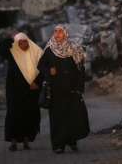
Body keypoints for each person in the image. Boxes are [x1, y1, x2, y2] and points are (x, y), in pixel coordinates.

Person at [38, 25, 90, 154]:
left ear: (66, 33)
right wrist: (49, 71)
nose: (58, 34)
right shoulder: (49, 49)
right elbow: (41, 65)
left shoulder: (73, 48)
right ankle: (58, 145)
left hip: (71, 89)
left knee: (72, 116)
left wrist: (79, 87)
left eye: (60, 32)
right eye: (56, 32)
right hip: (55, 90)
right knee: (57, 118)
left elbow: (80, 68)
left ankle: (72, 142)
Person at [0, 32, 44, 151]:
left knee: (29, 115)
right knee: (14, 115)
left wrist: (37, 83)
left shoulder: (33, 54)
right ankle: (13, 142)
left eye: (25, 41)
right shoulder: (12, 53)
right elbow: (0, 49)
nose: (23, 44)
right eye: (20, 41)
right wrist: (11, 38)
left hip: (30, 91)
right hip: (14, 91)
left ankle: (26, 141)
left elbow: (41, 69)